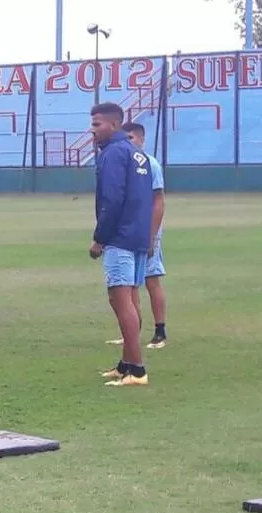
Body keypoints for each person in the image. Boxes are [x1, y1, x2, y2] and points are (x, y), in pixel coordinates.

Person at [87, 103, 154, 387]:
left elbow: (112, 200)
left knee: (120, 299)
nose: (92, 130)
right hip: (138, 236)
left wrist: (100, 238)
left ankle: (136, 370)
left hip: (120, 237)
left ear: (114, 125)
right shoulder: (138, 155)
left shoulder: (113, 154)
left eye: (97, 124)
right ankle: (126, 362)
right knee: (126, 299)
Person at [105, 122, 167, 350]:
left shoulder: (150, 163)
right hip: (131, 230)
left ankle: (160, 331)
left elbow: (158, 201)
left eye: (131, 138)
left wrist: (152, 235)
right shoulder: (125, 161)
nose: (128, 142)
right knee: (129, 285)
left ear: (141, 139)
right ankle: (132, 334)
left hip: (147, 229)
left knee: (151, 279)